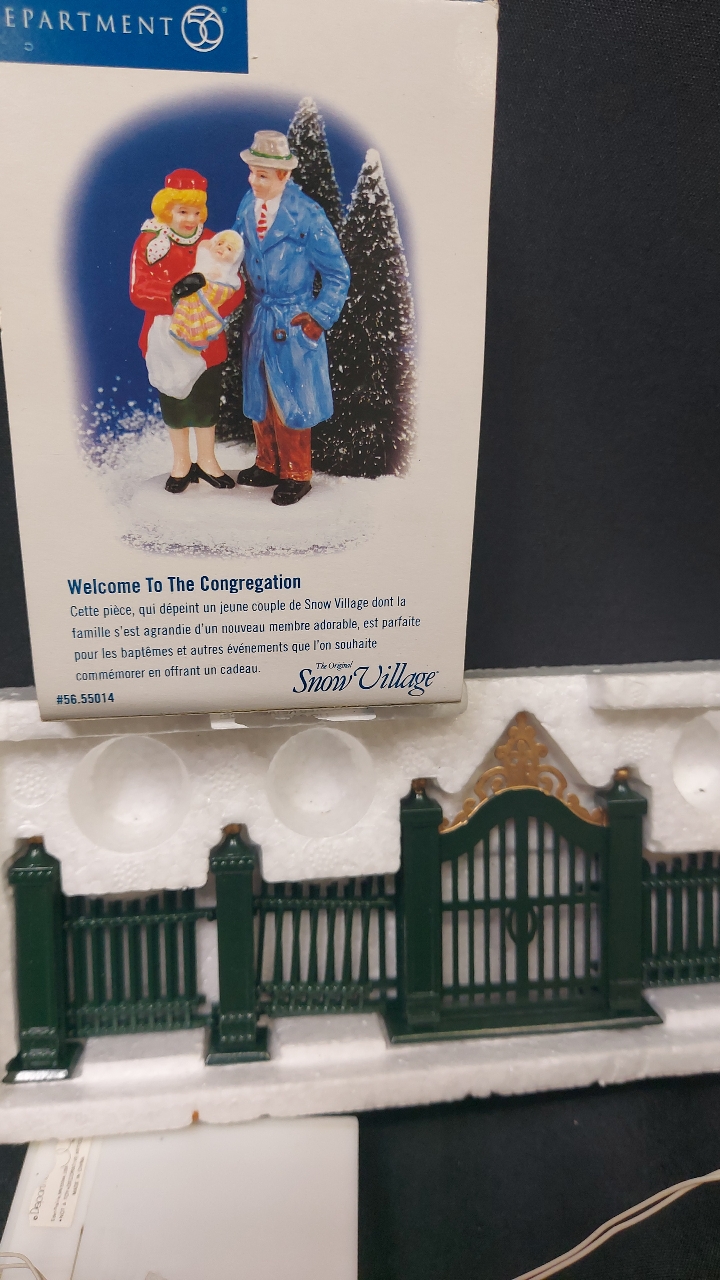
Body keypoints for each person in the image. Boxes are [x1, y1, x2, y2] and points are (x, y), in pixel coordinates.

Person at [232, 130, 351, 506]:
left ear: (284, 176)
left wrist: (319, 316)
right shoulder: (247, 206)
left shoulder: (308, 215)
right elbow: (234, 250)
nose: (254, 181)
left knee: (292, 401)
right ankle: (267, 463)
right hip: (259, 317)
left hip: (292, 321)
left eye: (262, 175)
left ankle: (297, 472)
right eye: (252, 173)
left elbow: (337, 273)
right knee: (260, 397)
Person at [130, 170, 245, 493]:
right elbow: (138, 290)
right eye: (183, 211)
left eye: (196, 212)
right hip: (165, 337)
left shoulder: (214, 241)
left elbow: (235, 285)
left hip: (206, 339)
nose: (190, 219)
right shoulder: (151, 243)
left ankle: (207, 460)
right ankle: (181, 462)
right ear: (168, 209)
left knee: (206, 400)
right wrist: (175, 293)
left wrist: (212, 305)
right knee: (175, 402)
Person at [170, 230, 244, 351]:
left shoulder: (228, 274)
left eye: (229, 249)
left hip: (205, 309)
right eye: (219, 243)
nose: (222, 248)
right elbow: (203, 248)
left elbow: (227, 294)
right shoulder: (205, 257)